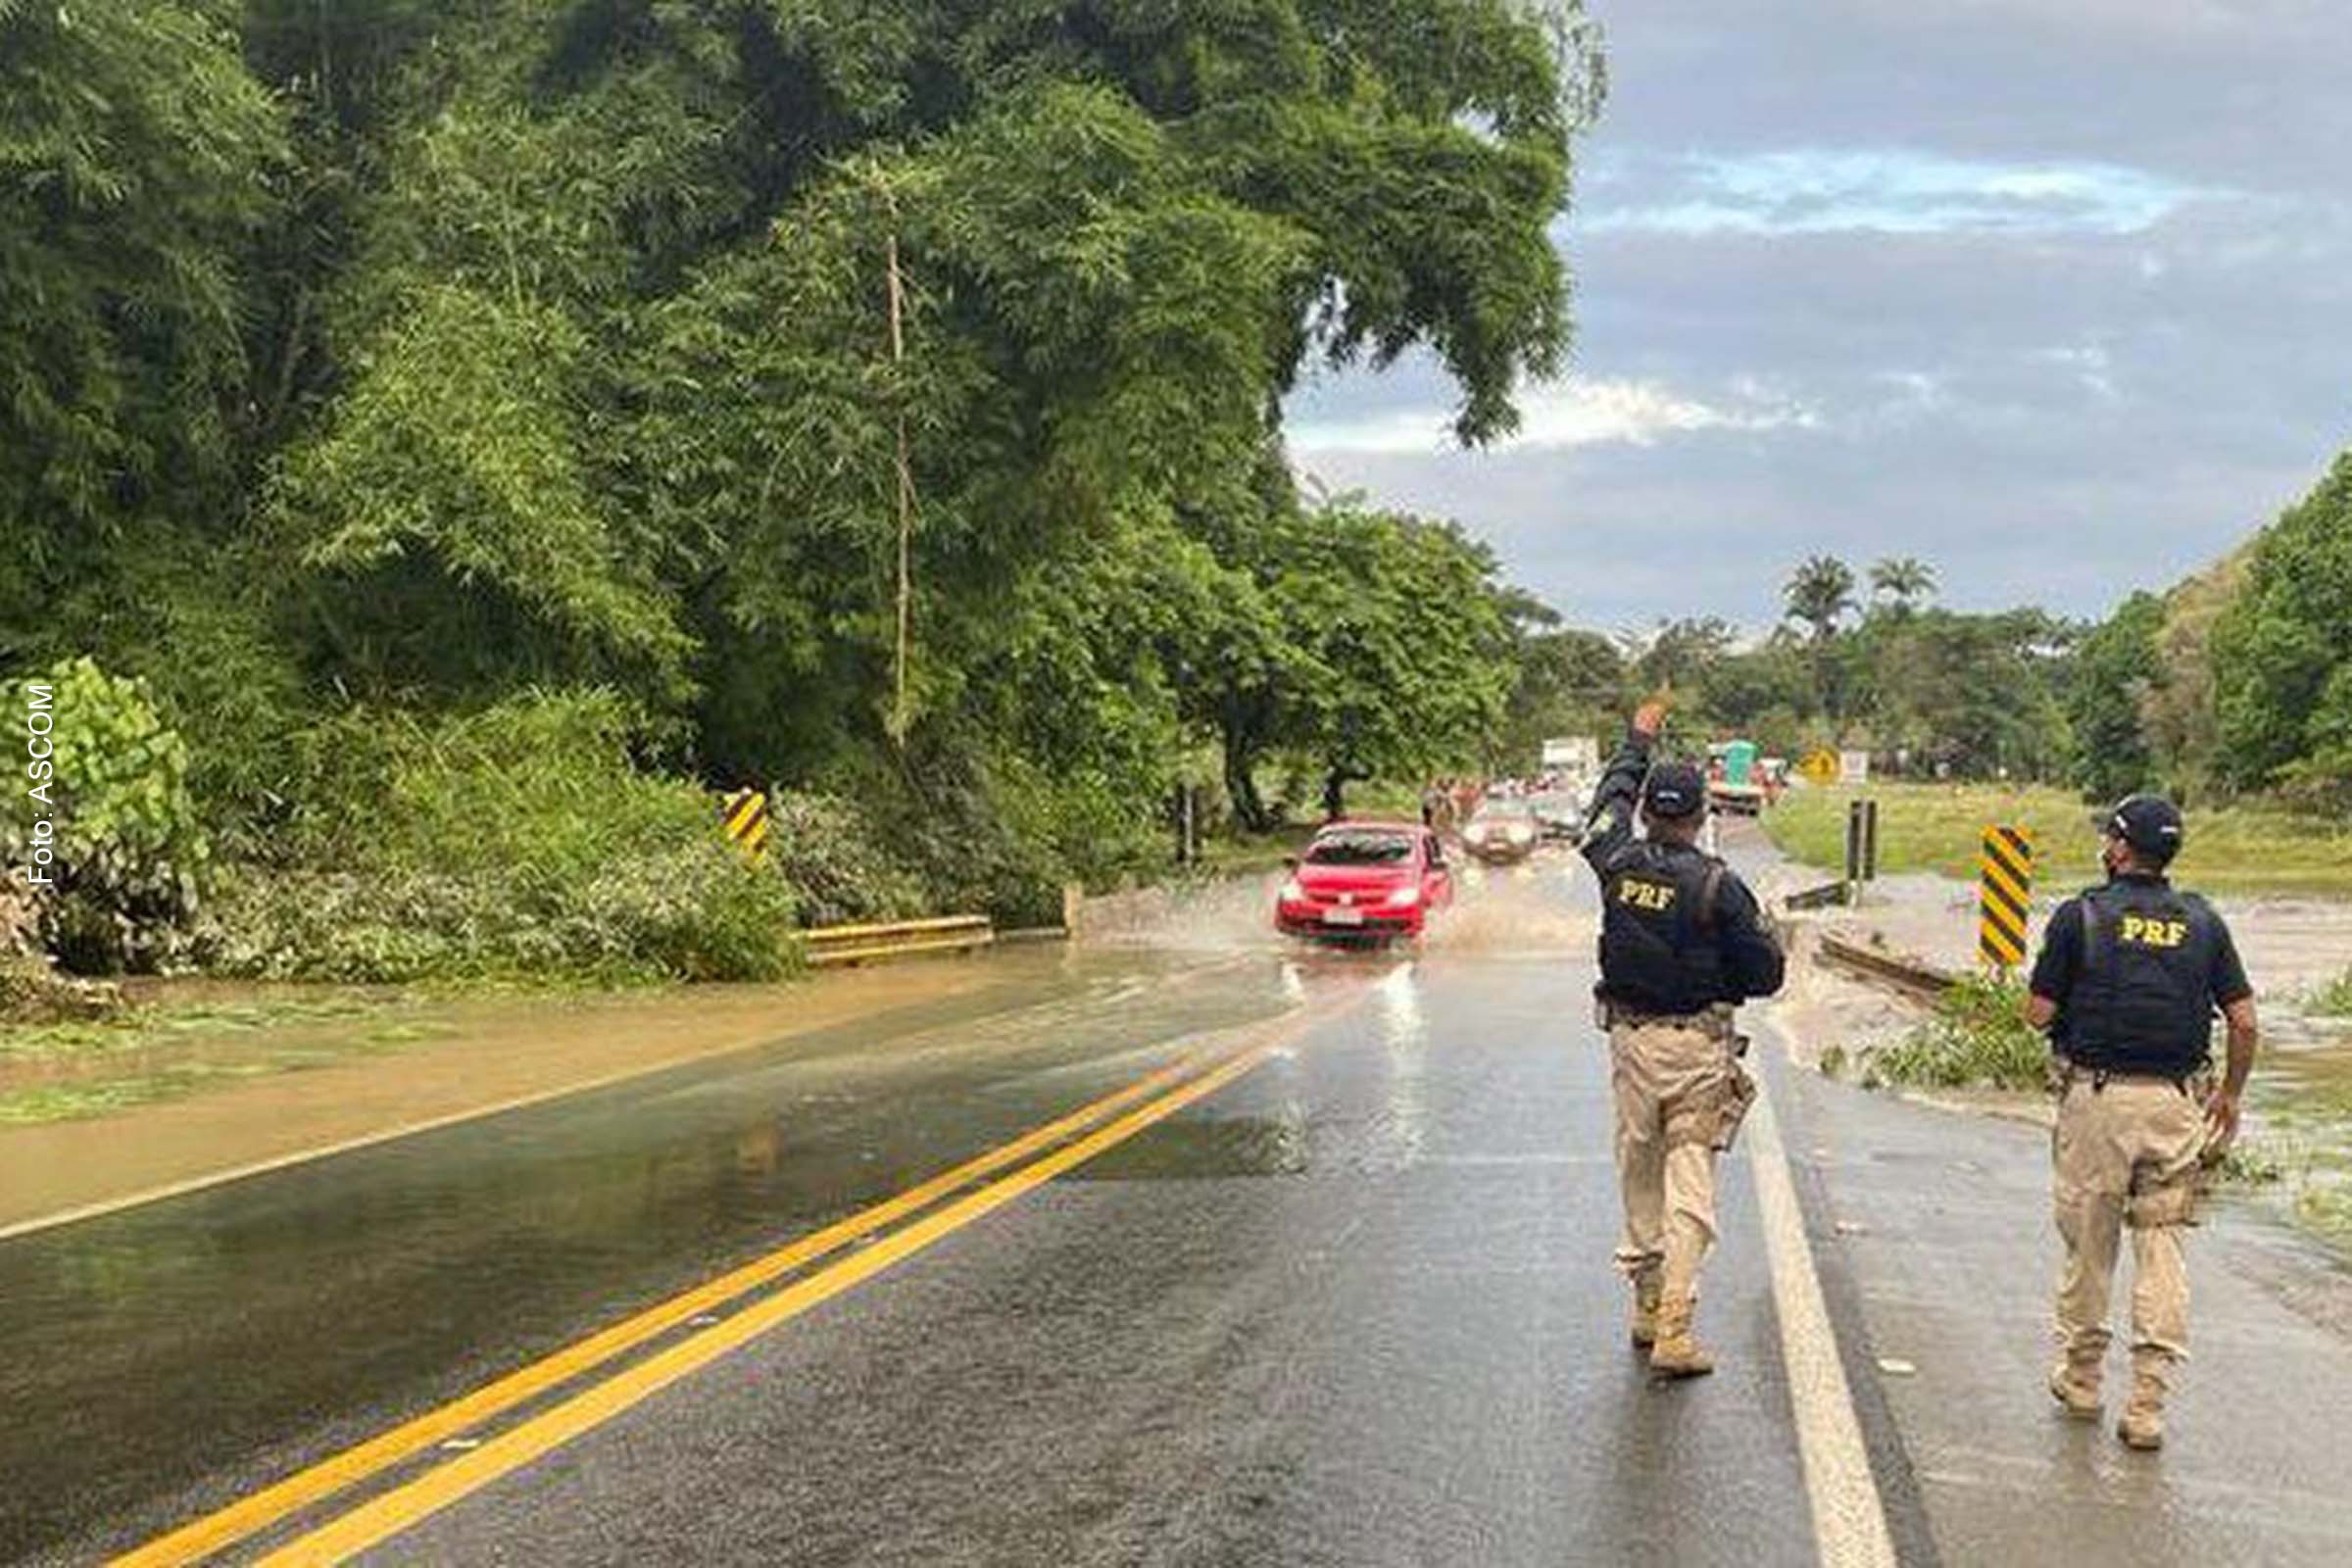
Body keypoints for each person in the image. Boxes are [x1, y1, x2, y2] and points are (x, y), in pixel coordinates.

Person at [2026, 794, 2257, 1450]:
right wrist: (2231, 1096)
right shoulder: (2205, 923)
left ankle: (2082, 1378)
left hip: (2098, 1105)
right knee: (2163, 1250)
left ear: (2120, 848)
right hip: (2178, 1106)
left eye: (2109, 838)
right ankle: (2149, 1404)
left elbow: (2039, 1014)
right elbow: (2243, 1021)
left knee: (2090, 1248)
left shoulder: (2081, 917)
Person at [1580, 698, 1787, 1379]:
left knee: (1639, 1168)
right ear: (1701, 817)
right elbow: (1764, 978)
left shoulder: (1614, 861)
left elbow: (1607, 798)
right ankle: (1676, 1321)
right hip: (1698, 1052)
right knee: (1689, 1179)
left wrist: (1636, 740)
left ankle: (1644, 1305)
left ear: (1646, 813)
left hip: (1631, 1046)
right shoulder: (1721, 888)